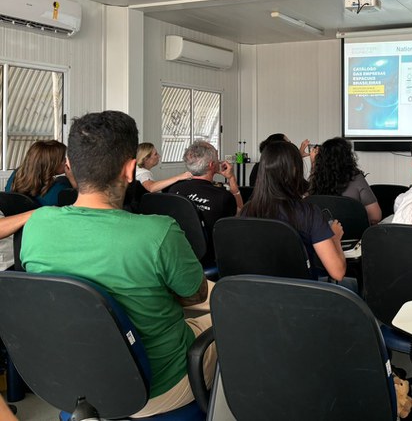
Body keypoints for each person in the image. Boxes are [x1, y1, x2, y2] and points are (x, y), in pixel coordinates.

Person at [19, 111, 214, 417]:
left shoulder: (36, 225)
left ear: (69, 168)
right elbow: (197, 295)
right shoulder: (158, 232)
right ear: (130, 169)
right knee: (231, 319)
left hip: (76, 383)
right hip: (160, 387)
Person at [240, 140, 346, 281]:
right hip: (301, 296)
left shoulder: (247, 211)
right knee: (352, 286)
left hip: (256, 293)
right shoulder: (309, 213)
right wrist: (335, 239)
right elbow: (338, 273)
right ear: (295, 170)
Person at [166, 140, 244, 235]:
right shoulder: (223, 197)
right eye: (217, 158)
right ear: (211, 165)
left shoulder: (174, 189)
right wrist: (231, 178)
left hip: (181, 245)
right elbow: (241, 216)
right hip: (212, 248)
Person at [309, 137, 381, 224]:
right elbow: (375, 217)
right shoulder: (357, 179)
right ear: (348, 157)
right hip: (354, 236)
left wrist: (314, 164)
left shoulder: (317, 181)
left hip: (323, 235)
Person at [5, 140, 74, 206]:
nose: (66, 160)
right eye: (62, 158)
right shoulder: (59, 190)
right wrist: (72, 179)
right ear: (51, 164)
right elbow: (81, 206)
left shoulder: (15, 176)